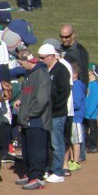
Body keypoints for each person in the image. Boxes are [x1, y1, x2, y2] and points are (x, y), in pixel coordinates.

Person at [14, 50, 51, 190]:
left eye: (21, 63)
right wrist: (20, 100)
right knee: (28, 149)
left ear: (27, 61)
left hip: (37, 120)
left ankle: (37, 177)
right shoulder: (29, 75)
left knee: (37, 149)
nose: (20, 66)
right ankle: (30, 174)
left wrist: (31, 113)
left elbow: (41, 100)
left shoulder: (41, 74)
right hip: (27, 118)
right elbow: (26, 93)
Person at [38, 43, 70, 184]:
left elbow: (64, 93)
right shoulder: (45, 69)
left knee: (56, 143)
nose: (40, 60)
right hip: (45, 113)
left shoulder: (61, 71)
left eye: (43, 57)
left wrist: (55, 109)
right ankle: (49, 168)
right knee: (47, 143)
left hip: (57, 113)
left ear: (51, 56)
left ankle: (58, 171)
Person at [69, 63, 86, 171]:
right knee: (70, 140)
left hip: (75, 118)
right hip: (71, 117)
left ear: (75, 74)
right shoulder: (73, 85)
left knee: (75, 141)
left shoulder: (77, 86)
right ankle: (71, 159)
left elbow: (76, 104)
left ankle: (76, 161)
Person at [84, 63, 98, 154]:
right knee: (84, 130)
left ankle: (93, 146)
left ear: (91, 72)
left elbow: (94, 102)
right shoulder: (88, 84)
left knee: (93, 130)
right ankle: (86, 145)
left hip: (91, 114)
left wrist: (88, 113)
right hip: (86, 112)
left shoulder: (95, 86)